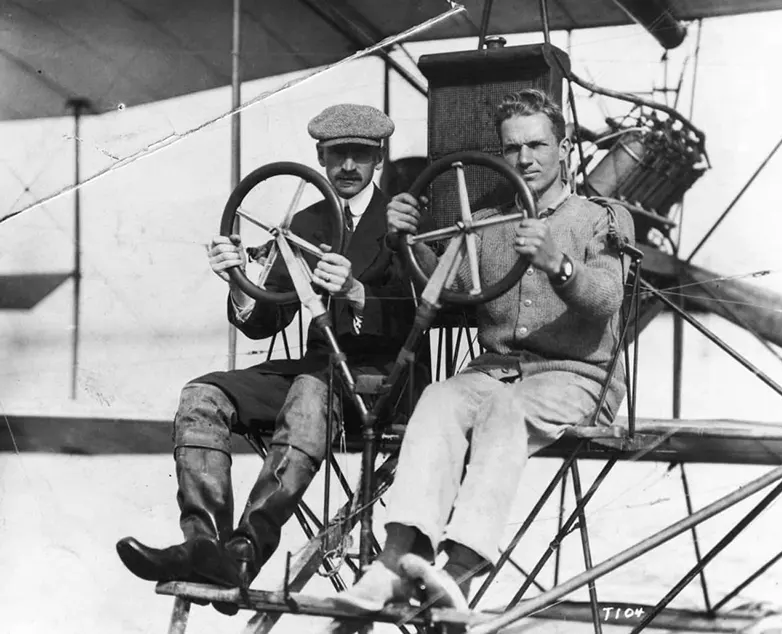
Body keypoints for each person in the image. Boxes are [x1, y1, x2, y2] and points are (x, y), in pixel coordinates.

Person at [333, 88, 635, 613]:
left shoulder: (601, 217)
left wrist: (557, 262)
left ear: (564, 149)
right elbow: (447, 285)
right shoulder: (487, 221)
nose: (526, 159)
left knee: (505, 408)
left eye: (539, 145)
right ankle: (394, 562)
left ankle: (460, 567)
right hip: (495, 372)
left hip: (579, 377)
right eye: (513, 148)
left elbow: (607, 298)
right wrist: (407, 239)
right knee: (438, 398)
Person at [116, 104, 421, 611]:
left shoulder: (404, 221)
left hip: (382, 379)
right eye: (336, 156)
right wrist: (237, 283)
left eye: (359, 156)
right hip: (317, 372)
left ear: (378, 158)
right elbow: (265, 319)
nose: (347, 167)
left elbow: (424, 311)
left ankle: (243, 553)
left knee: (307, 391)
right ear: (319, 157)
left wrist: (357, 292)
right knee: (203, 395)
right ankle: (203, 545)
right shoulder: (307, 221)